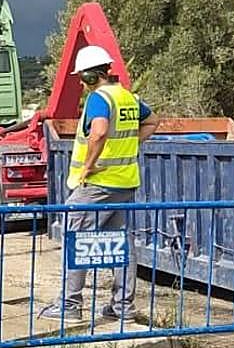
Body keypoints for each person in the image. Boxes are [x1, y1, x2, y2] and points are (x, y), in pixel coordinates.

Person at [40, 45, 160, 322]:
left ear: (93, 76)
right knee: (122, 243)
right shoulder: (128, 98)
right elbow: (153, 121)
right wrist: (131, 143)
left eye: (82, 77)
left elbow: (100, 131)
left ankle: (70, 305)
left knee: (76, 236)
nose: (81, 83)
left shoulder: (99, 98)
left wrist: (88, 165)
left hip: (97, 183)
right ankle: (122, 307)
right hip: (125, 183)